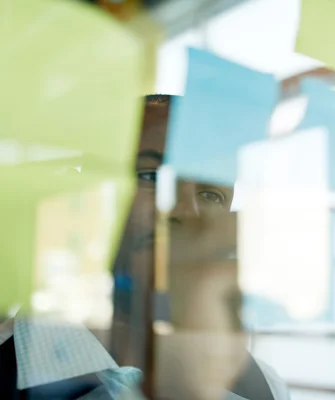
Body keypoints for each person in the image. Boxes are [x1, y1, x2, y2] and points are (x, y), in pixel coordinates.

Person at [0, 94, 288, 400]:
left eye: (211, 194)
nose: (186, 210)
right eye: (150, 176)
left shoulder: (264, 388)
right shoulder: (15, 368)